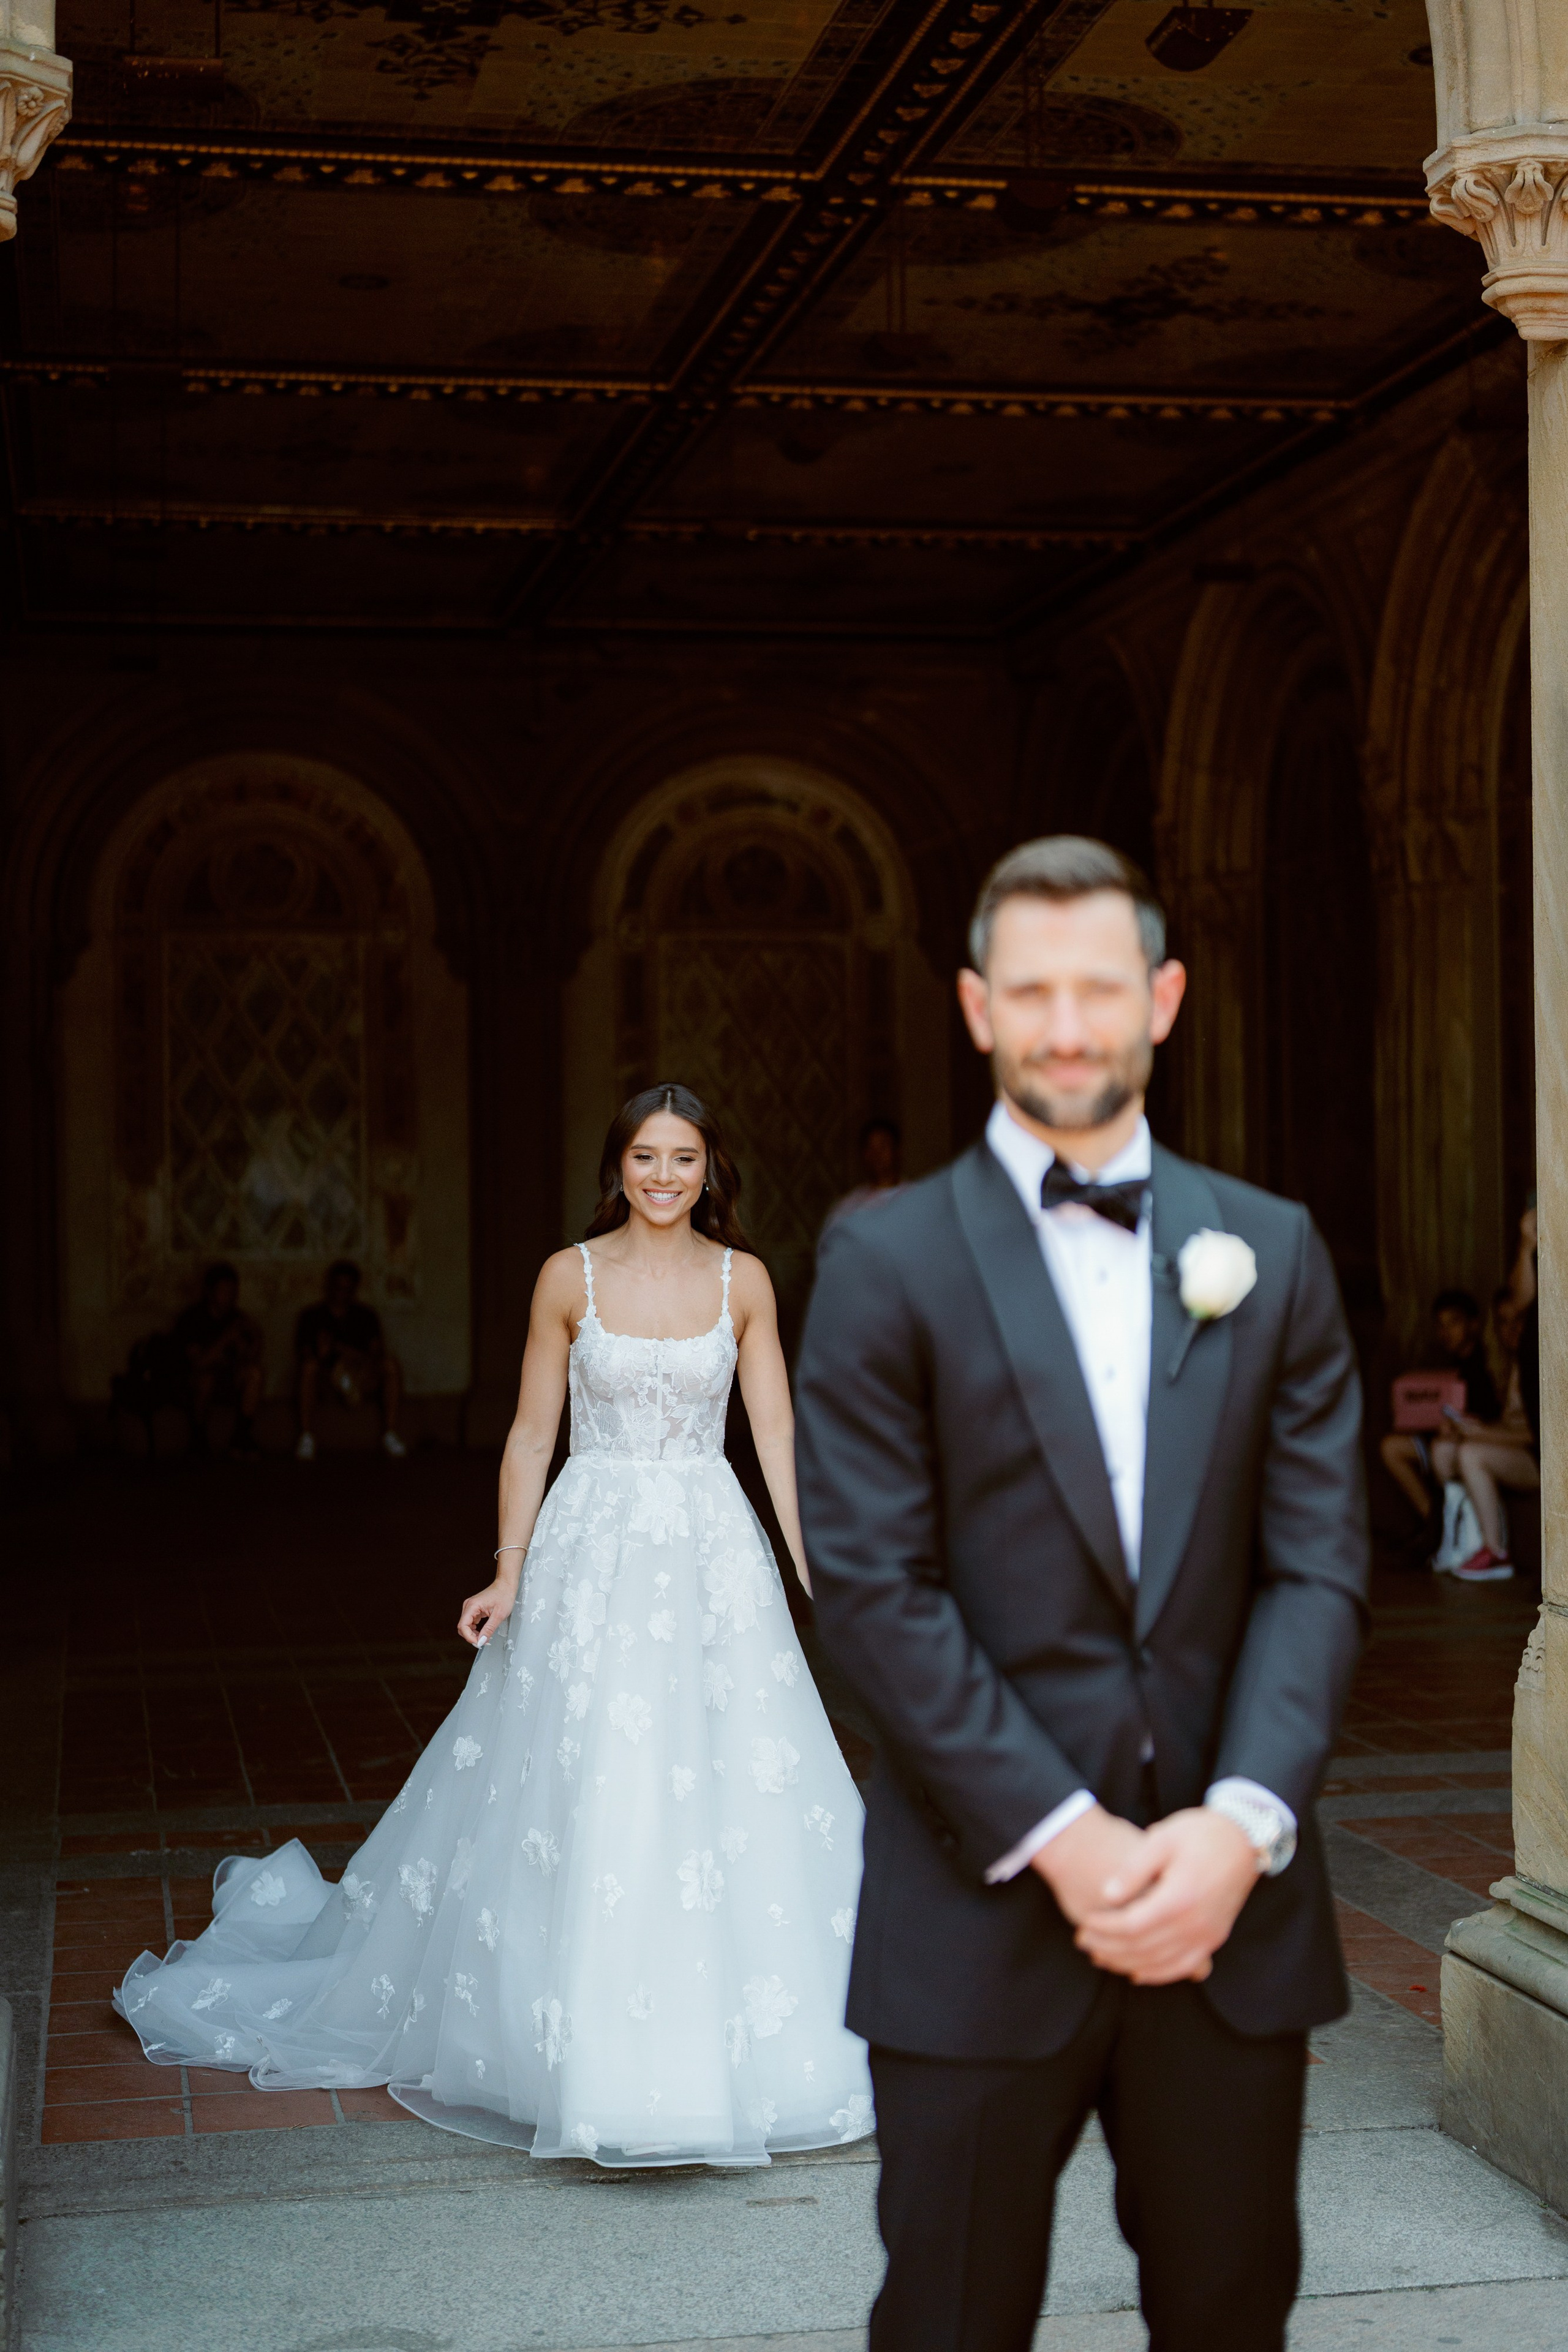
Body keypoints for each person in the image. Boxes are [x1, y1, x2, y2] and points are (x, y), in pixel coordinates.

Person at [794, 835, 1368, 2352]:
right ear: (975, 1005)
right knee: (949, 2323)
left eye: (1098, 989)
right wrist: (1065, 1836)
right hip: (972, 1913)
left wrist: (1237, 1827)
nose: (1065, 1026)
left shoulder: (1269, 1251)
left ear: (1160, 999)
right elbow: (872, 1589)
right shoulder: (880, 1261)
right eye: (1031, 991)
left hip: (1224, 1922)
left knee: (1229, 2317)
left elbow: (1315, 1566)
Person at [116, 1083, 872, 2169]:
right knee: (593, 1777)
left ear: (711, 1169)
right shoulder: (569, 1276)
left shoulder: (742, 1280)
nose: (664, 1177)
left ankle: (730, 2043)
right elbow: (528, 1436)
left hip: (711, 1550)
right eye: (646, 1157)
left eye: (685, 1158)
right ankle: (585, 2052)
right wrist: (509, 1572)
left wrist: (807, 1560)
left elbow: (776, 1431)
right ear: (618, 1166)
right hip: (590, 1549)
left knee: (723, 1775)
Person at [1428, 1273, 1538, 1583]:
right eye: (1503, 1322)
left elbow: (1539, 1436)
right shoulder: (1504, 1366)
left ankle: (1495, 1551)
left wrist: (1482, 1433)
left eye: (1519, 1320)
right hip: (1518, 1449)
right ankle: (1464, 1537)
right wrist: (1475, 1425)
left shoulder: (1538, 1364)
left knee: (1472, 1453)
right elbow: (1509, 1424)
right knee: (1443, 1449)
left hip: (1543, 1459)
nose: (1511, 1329)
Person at [1379, 1287, 1499, 1536]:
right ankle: (1434, 1522)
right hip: (1445, 1434)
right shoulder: (1453, 1362)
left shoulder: (1487, 1363)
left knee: (1439, 1450)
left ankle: (1445, 1528)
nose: (1446, 1332)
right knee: (1391, 1447)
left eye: (1454, 1323)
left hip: (1472, 1438)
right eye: (1441, 1325)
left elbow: (1490, 1415)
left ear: (1474, 1324)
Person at [294, 1260, 405, 1460]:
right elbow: (305, 1354)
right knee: (309, 1368)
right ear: (330, 1287)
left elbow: (377, 1353)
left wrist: (349, 1355)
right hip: (327, 1377)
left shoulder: (366, 1316)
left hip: (361, 1376)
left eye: (347, 1289)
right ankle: (306, 1436)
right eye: (338, 1287)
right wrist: (323, 1354)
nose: (342, 1294)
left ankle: (390, 1433)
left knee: (391, 1365)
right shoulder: (312, 1316)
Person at [172, 1262, 264, 1457]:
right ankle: (198, 1438)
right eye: (225, 1292)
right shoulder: (192, 1319)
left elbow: (251, 1359)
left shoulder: (238, 1318)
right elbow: (198, 1363)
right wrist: (225, 1339)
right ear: (209, 1292)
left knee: (254, 1375)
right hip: (193, 1383)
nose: (231, 1297)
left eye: (234, 1292)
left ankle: (241, 1437)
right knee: (206, 1380)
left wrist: (255, 1339)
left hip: (228, 1380)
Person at [821, 1117, 906, 1239]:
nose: (877, 1155)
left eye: (883, 1146)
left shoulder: (916, 1199)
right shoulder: (847, 1207)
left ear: (897, 1151)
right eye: (870, 1148)